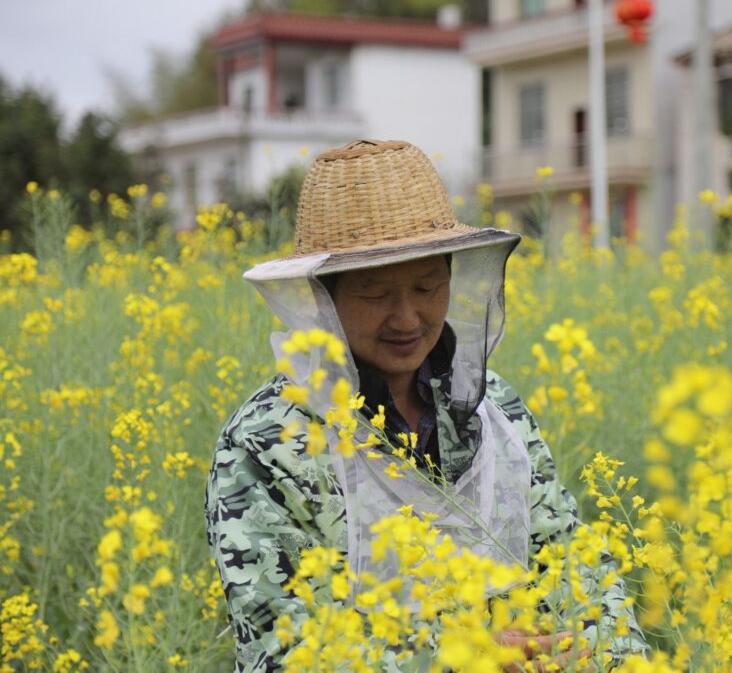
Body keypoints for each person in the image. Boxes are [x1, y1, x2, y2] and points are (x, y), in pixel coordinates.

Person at [205, 139, 647, 672]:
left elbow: (574, 564)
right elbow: (283, 653)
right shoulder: (265, 444)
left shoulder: (494, 410)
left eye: (427, 285)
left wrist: (620, 657)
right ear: (322, 299)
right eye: (374, 294)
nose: (407, 318)